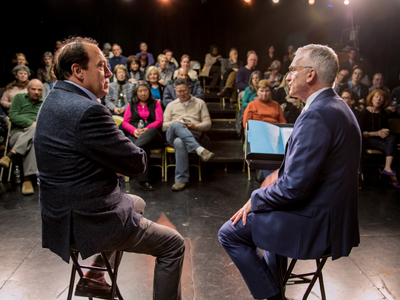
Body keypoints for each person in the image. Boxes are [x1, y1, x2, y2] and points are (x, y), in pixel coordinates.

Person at [34, 37, 185, 300]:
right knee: (174, 244)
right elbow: (136, 162)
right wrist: (113, 164)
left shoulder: (52, 100)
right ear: (78, 71)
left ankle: (95, 275)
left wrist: (108, 163)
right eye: (101, 65)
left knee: (135, 201)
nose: (108, 72)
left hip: (57, 216)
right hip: (87, 219)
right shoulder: (88, 110)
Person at [218, 44, 361, 300]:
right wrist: (276, 180)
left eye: (293, 69)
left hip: (316, 223)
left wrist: (255, 200)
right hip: (333, 219)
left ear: (310, 74)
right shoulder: (336, 106)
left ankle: (272, 297)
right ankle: (275, 290)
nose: (288, 75)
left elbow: (294, 188)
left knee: (229, 233)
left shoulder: (318, 114)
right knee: (268, 212)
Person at [162, 78, 214, 191]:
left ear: (189, 88)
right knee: (176, 124)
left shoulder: (200, 103)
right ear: (175, 90)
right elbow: (164, 126)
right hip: (172, 135)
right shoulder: (171, 105)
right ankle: (200, 149)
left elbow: (208, 123)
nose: (181, 94)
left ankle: (181, 180)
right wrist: (175, 122)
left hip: (193, 134)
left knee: (179, 142)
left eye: (184, 90)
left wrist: (196, 127)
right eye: (178, 91)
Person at [0, 79, 43, 195]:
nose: (36, 92)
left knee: (33, 138)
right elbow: (13, 116)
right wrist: (30, 124)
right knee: (34, 130)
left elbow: (44, 121)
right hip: (17, 134)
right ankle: (28, 179)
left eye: (39, 90)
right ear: (28, 90)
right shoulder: (19, 98)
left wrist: (32, 128)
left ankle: (10, 155)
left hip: (34, 135)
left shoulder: (43, 103)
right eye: (33, 89)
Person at [122, 81, 165, 191]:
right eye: (140, 91)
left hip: (153, 135)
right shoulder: (131, 104)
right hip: (137, 134)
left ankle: (132, 152)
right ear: (136, 93)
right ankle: (144, 181)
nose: (143, 93)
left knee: (150, 132)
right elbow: (125, 122)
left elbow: (159, 121)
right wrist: (134, 131)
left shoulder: (156, 103)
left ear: (149, 91)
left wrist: (147, 129)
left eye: (145, 90)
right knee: (142, 148)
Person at [358, 89, 399, 188]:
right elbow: (361, 132)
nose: (378, 100)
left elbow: (385, 128)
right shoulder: (364, 113)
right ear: (371, 99)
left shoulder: (384, 113)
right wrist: (377, 133)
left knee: (392, 138)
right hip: (368, 139)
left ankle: (387, 167)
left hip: (381, 139)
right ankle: (392, 175)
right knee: (394, 149)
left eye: (381, 98)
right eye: (376, 97)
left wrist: (385, 133)